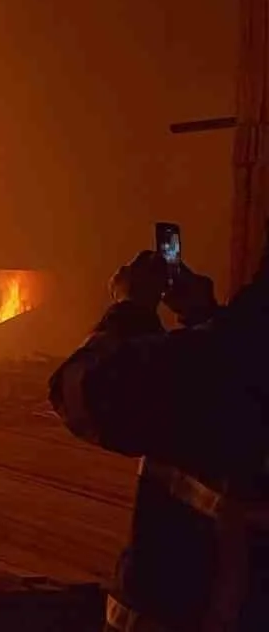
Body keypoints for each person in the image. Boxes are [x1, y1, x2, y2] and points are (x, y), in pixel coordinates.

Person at [49, 250, 268, 631]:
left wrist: (130, 308)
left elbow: (85, 390)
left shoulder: (237, 359)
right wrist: (206, 316)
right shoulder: (239, 360)